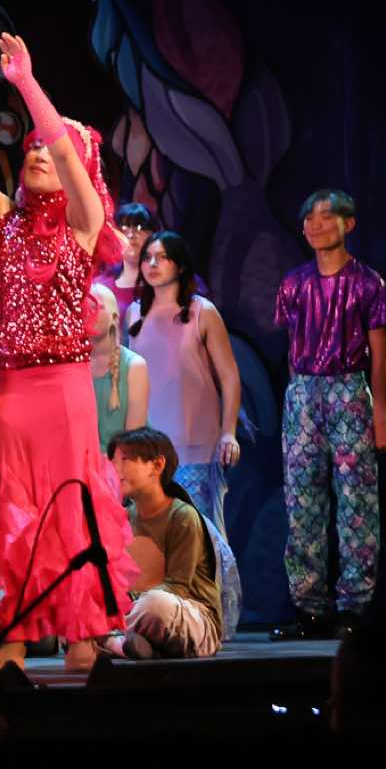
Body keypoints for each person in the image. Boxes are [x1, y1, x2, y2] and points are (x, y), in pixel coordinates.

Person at [0, 30, 138, 673]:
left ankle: (82, 630)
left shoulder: (85, 224)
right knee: (6, 510)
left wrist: (26, 83)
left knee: (68, 504)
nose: (37, 154)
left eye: (48, 152)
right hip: (0, 391)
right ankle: (15, 630)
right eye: (28, 149)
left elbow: (62, 147)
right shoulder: (3, 219)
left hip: (60, 388)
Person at [272, 189, 386, 641]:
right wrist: (298, 398)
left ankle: (354, 606)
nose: (316, 224)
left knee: (356, 502)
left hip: (349, 390)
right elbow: (292, 348)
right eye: (309, 218)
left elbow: (380, 357)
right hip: (304, 391)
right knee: (302, 501)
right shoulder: (294, 283)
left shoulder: (368, 283)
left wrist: (379, 418)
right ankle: (309, 607)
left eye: (327, 216)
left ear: (349, 223)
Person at [125, 231, 242, 540]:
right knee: (153, 538)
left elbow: (230, 376)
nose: (152, 264)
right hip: (149, 449)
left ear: (179, 265)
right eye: (148, 257)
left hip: (195, 446)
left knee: (199, 537)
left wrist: (228, 432)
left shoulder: (202, 312)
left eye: (162, 257)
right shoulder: (133, 313)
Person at [104, 427, 222, 659]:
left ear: (157, 465)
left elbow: (177, 587)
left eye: (125, 460)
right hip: (139, 613)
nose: (116, 469)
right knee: (86, 605)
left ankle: (111, 641)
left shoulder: (182, 517)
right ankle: (133, 646)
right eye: (114, 462)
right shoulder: (123, 518)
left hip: (189, 614)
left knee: (155, 605)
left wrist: (122, 609)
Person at [90, 282, 148, 445]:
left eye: (95, 307)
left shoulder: (134, 365)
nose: (88, 313)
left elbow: (133, 439)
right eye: (83, 308)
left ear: (114, 317)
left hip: (121, 458)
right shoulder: (73, 366)